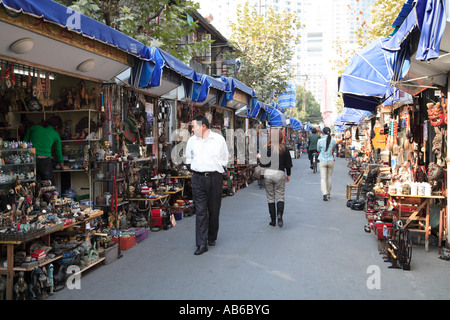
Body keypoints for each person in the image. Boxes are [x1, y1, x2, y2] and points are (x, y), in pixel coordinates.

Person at [185, 114, 229, 255]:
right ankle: (201, 244)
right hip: (198, 179)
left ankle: (211, 236)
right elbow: (188, 159)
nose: (192, 129)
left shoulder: (218, 139)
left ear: (203, 126)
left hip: (215, 178)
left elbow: (225, 159)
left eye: (194, 126)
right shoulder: (192, 141)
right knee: (201, 211)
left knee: (214, 210)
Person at [24, 116, 70, 186]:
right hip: (45, 160)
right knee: (50, 186)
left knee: (30, 185)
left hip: (31, 159)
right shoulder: (55, 134)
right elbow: (58, 152)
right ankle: (52, 196)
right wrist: (62, 166)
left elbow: (24, 144)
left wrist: (24, 162)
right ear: (57, 126)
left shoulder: (33, 128)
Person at [260, 128, 292, 227]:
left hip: (268, 173)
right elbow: (288, 164)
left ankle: (273, 220)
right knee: (280, 196)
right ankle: (280, 216)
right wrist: (288, 175)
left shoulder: (266, 148)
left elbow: (262, 163)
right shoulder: (284, 148)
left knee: (270, 197)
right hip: (280, 173)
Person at [317, 127, 343, 201]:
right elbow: (334, 147)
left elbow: (318, 149)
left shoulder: (320, 140)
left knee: (323, 178)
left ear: (323, 133)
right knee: (329, 177)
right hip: (331, 160)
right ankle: (328, 193)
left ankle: (324, 193)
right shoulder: (333, 140)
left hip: (322, 161)